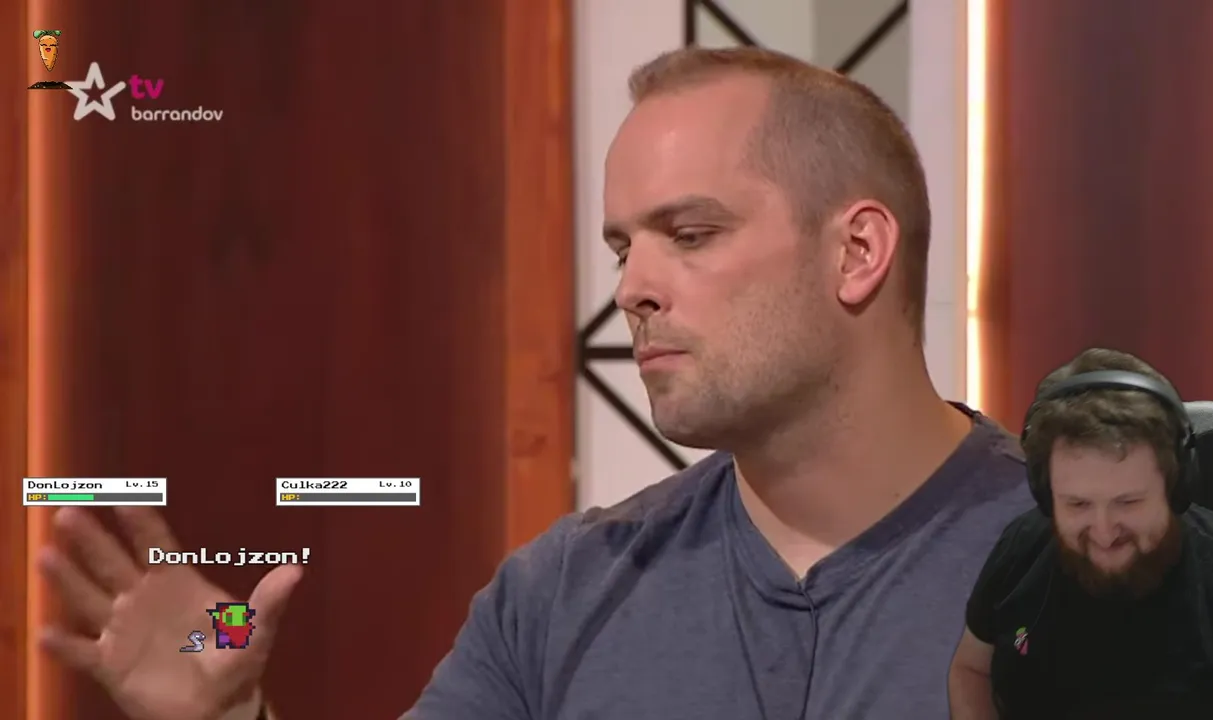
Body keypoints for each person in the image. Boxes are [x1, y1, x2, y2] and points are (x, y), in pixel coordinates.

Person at [38, 46, 1032, 719]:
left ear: (856, 252)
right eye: (622, 249)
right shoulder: (559, 596)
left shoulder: (1084, 569)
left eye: (690, 235)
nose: (632, 290)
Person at [948, 348, 1213, 720]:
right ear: (1045, 493)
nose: (1104, 533)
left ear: (1176, 486)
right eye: (1078, 504)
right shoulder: (1022, 547)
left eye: (1128, 502)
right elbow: (971, 670)